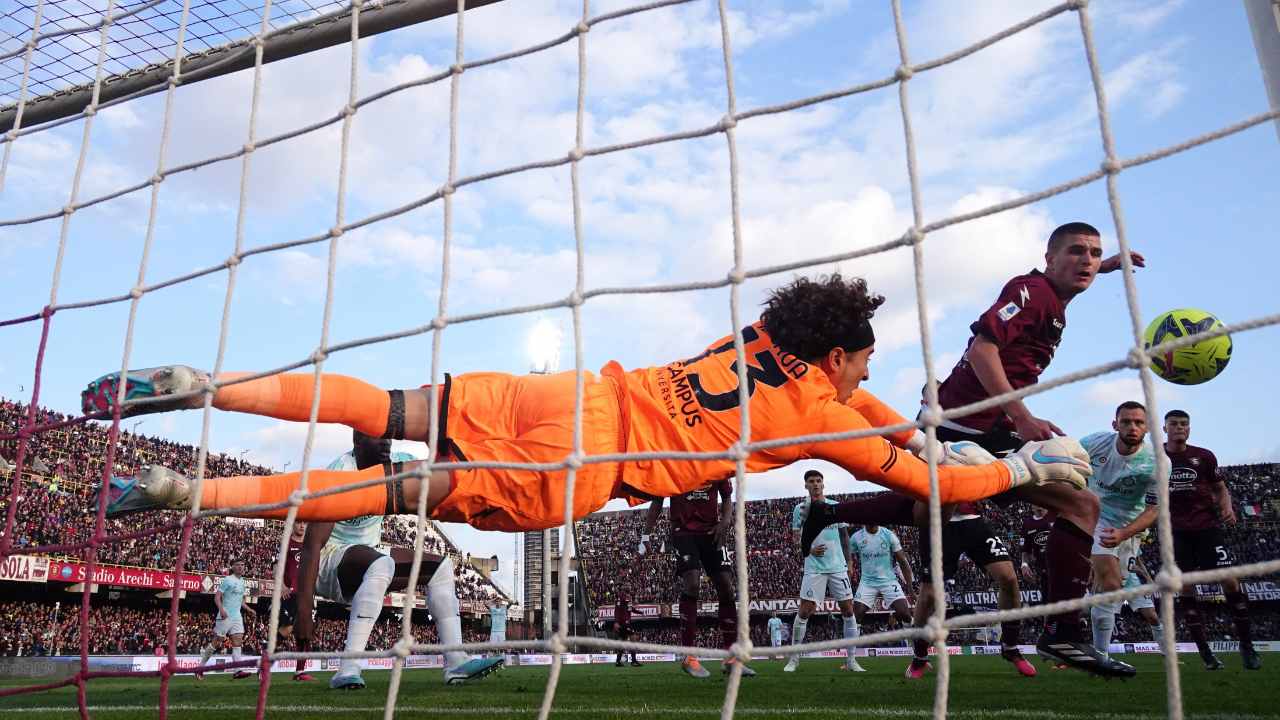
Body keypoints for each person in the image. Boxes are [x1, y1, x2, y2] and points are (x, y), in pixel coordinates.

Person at [88, 275, 1092, 534]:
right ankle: (187, 497)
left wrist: (901, 415)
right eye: (859, 365)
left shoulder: (750, 343)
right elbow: (920, 478)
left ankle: (204, 385)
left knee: (383, 401)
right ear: (833, 356)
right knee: (395, 494)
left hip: (573, 394)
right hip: (584, 471)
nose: (863, 382)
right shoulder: (822, 417)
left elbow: (874, 412)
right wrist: (1018, 469)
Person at [805, 223, 1139, 676]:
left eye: (1095, 254)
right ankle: (1051, 634)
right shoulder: (1032, 291)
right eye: (1077, 252)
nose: (1087, 260)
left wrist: (1106, 267)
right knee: (939, 517)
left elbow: (1071, 276)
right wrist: (1022, 417)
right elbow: (984, 349)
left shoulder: (1052, 297)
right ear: (1049, 257)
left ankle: (1062, 633)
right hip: (963, 429)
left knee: (1080, 504)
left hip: (988, 429)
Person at [293, 432, 503, 689]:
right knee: (382, 563)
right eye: (377, 437)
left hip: (370, 555)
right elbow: (312, 546)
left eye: (388, 437)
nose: (386, 442)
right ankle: (348, 666)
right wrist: (304, 610)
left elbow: (441, 476)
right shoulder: (340, 474)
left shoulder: (398, 466)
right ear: (357, 443)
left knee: (440, 567)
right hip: (330, 561)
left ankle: (456, 660)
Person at [1164, 409, 1262, 670]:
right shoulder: (1155, 457)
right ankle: (1206, 653)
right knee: (1185, 586)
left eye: (1184, 424)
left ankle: (1247, 646)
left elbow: (1220, 488)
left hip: (1207, 528)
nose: (1179, 428)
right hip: (1174, 531)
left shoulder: (1204, 456)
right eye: (1173, 424)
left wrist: (1227, 507)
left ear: (1189, 429)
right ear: (1165, 429)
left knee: (1230, 580)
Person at [903, 496, 1036, 679]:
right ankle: (919, 657)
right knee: (929, 595)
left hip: (973, 520)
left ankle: (1010, 647)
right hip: (938, 523)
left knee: (1009, 579)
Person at [639, 478, 754, 677]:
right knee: (692, 583)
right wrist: (646, 536)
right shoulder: (674, 464)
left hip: (712, 532)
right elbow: (658, 499)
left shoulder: (716, 462)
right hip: (683, 532)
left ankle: (731, 658)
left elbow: (726, 497)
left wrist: (725, 523)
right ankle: (689, 656)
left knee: (727, 588)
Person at [1078, 401, 1157, 677]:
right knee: (1110, 584)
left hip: (1129, 528)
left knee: (1110, 591)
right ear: (1115, 425)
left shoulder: (1158, 461)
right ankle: (1101, 658)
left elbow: (1155, 509)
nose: (1132, 427)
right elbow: (1068, 464)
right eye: (1126, 422)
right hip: (1095, 517)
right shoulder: (1094, 443)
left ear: (1147, 427)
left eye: (1138, 422)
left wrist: (1125, 533)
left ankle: (1099, 657)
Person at [785, 470, 863, 673]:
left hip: (838, 567)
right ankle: (794, 659)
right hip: (814, 568)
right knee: (805, 611)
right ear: (806, 486)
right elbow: (795, 539)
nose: (816, 484)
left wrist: (849, 562)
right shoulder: (800, 509)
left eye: (819, 481)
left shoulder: (834, 506)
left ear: (823, 484)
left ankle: (851, 660)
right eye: (811, 481)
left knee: (848, 610)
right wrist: (809, 549)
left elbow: (844, 536)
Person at [849, 523, 914, 632]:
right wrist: (849, 565)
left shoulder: (888, 535)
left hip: (888, 581)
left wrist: (910, 589)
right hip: (867, 582)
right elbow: (847, 555)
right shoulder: (856, 537)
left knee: (905, 613)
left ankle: (911, 641)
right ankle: (851, 649)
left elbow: (902, 562)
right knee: (855, 616)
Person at [196, 561, 255, 680]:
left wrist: (249, 609)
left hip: (237, 617)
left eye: (242, 565)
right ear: (233, 567)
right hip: (225, 615)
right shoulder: (228, 580)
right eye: (238, 565)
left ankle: (237, 670)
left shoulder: (242, 581)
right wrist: (221, 610)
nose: (240, 567)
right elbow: (217, 597)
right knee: (217, 642)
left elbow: (241, 601)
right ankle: (200, 668)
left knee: (237, 642)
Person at [276, 520, 315, 681]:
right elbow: (276, 567)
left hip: (307, 593)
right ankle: (264, 659)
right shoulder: (286, 543)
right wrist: (283, 586)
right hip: (291, 593)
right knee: (287, 629)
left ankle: (300, 672)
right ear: (293, 525)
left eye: (305, 523)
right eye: (299, 523)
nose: (302, 526)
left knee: (305, 633)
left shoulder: (310, 544)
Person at [1018, 506, 1054, 590]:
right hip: (1043, 571)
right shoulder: (1027, 523)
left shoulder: (1056, 516)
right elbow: (1025, 550)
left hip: (1062, 568)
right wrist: (1024, 564)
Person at [613, 596, 641, 667]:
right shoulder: (621, 600)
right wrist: (616, 622)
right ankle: (633, 661)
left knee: (622, 644)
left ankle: (618, 661)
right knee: (633, 640)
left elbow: (632, 609)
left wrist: (640, 612)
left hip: (624, 625)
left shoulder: (628, 603)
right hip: (625, 624)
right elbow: (617, 610)